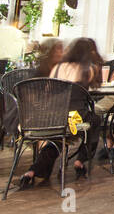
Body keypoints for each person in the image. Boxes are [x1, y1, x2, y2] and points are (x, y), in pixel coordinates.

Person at [18, 38, 104, 189]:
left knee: (58, 139)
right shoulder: (88, 70)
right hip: (73, 119)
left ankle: (32, 171)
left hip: (52, 118)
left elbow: (47, 91)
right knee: (95, 121)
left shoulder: (58, 67)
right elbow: (94, 89)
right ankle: (80, 160)